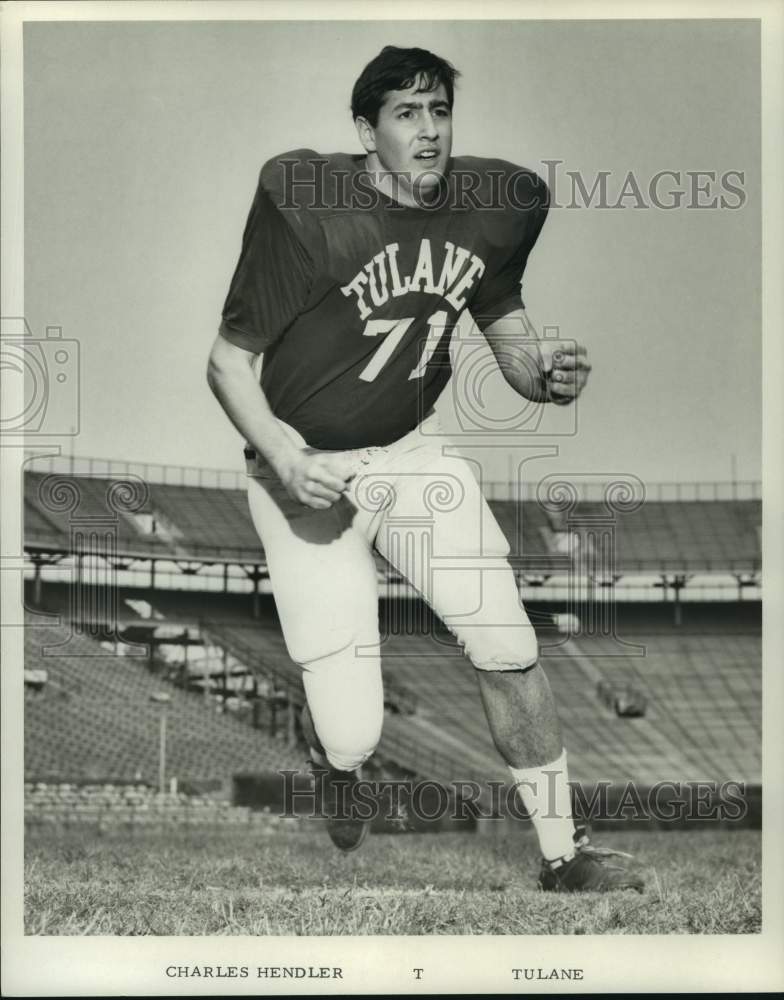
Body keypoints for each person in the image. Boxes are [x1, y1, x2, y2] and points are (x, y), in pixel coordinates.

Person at [207, 45, 644, 892]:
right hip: (302, 470)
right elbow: (227, 364)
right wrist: (286, 455)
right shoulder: (307, 206)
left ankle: (563, 855)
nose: (430, 130)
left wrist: (542, 377)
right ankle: (337, 765)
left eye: (439, 110)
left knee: (507, 641)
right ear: (365, 131)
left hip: (411, 455)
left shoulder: (499, 203)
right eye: (406, 113)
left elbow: (499, 312)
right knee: (353, 731)